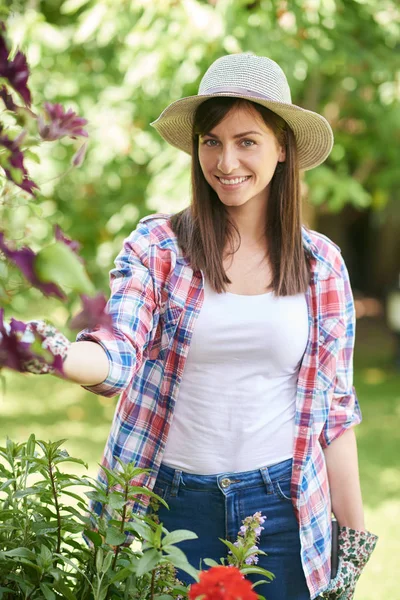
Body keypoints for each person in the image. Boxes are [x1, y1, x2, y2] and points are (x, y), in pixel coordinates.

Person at [23, 54, 377, 600]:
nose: (226, 160)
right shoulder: (158, 249)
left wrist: (348, 552)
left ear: (282, 149)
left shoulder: (320, 264)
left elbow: (336, 412)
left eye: (247, 141)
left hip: (281, 511)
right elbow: (118, 350)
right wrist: (50, 353)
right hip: (165, 509)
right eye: (211, 141)